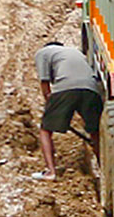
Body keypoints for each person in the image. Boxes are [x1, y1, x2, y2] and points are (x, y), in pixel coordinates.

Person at [34, 40, 103, 179]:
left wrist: (49, 104)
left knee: (45, 130)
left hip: (65, 86)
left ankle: (50, 172)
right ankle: (104, 168)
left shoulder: (43, 52)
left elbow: (44, 81)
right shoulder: (76, 53)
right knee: (95, 131)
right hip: (91, 89)